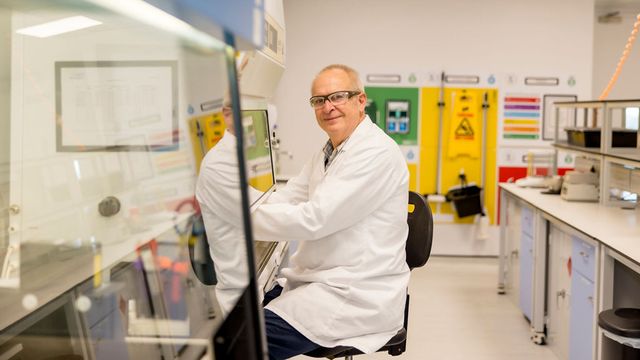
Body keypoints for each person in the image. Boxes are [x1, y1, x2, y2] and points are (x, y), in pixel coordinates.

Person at [252, 64, 410, 359]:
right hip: (322, 281)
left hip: (354, 293)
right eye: (319, 100)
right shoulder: (328, 151)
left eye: (337, 96)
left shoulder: (375, 153)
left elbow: (314, 219)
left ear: (360, 100)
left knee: (240, 341)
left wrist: (242, 221)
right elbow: (290, 197)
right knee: (237, 315)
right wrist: (240, 202)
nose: (328, 107)